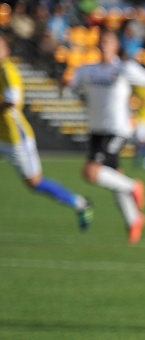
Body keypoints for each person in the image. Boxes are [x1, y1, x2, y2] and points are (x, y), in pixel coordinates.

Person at [67, 29, 145, 244]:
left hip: (118, 130)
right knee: (113, 177)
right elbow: (71, 89)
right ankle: (134, 219)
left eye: (108, 41)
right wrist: (65, 86)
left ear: (116, 46)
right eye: (101, 41)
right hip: (96, 130)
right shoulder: (86, 71)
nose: (104, 45)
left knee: (91, 172)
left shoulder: (123, 68)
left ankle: (134, 187)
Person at [0, 34, 93, 230]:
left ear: (6, 51)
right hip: (1, 135)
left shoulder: (7, 70)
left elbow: (12, 101)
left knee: (34, 182)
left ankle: (79, 203)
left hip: (15, 138)